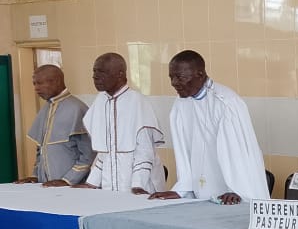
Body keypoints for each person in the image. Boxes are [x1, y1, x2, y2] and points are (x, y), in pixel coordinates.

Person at [149, 50, 268, 205]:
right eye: (171, 77)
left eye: (180, 77)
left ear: (199, 74)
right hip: (200, 193)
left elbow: (239, 153)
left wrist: (237, 190)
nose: (174, 83)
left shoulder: (225, 102)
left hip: (231, 193)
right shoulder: (181, 104)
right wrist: (182, 189)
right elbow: (183, 151)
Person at [80, 53, 166, 194]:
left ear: (120, 74)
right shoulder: (100, 101)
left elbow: (145, 152)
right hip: (109, 187)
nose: (95, 76)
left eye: (102, 72)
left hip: (138, 187)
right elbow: (104, 153)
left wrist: (138, 186)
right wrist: (91, 183)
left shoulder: (138, 102)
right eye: (94, 71)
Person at [16, 64, 94, 186]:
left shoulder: (77, 108)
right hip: (46, 186)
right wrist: (35, 176)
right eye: (34, 84)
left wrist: (67, 180)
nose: (36, 88)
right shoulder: (45, 109)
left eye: (40, 83)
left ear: (56, 81)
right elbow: (41, 151)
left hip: (72, 188)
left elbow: (89, 154)